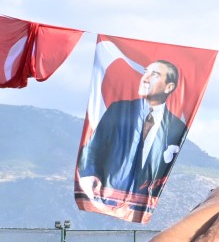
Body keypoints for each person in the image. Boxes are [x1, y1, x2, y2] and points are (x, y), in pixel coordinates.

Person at [78, 59, 188, 203]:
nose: (145, 79)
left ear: (169, 87)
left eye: (154, 75)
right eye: (145, 73)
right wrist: (89, 174)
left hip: (141, 202)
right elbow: (93, 146)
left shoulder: (177, 127)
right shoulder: (118, 110)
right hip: (107, 193)